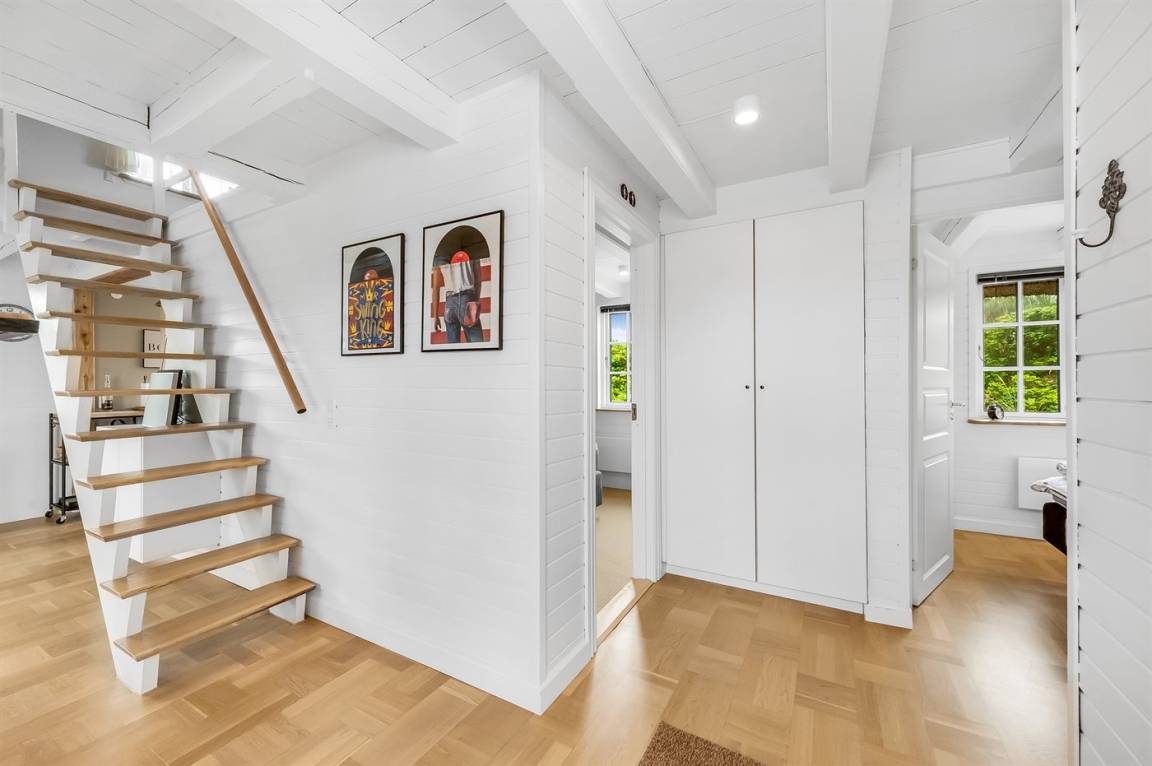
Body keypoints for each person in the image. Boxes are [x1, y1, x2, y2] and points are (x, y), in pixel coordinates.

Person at [432, 249, 484, 343]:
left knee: (453, 348)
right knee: (477, 346)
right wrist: (474, 305)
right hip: (467, 298)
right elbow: (478, 280)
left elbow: (436, 288)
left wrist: (436, 316)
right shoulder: (472, 249)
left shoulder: (439, 255)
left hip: (449, 304)